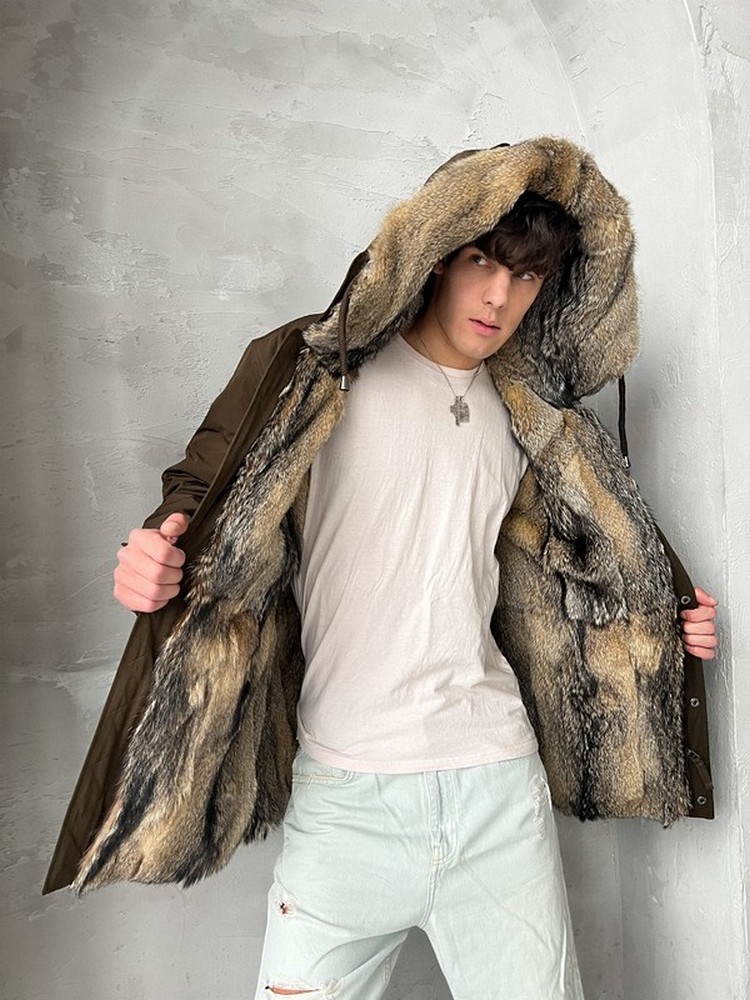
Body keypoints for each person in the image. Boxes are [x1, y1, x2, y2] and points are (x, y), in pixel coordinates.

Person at [44, 137, 718, 998]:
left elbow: (583, 567)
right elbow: (201, 494)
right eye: (482, 262)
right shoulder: (315, 371)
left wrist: (663, 624)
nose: (499, 296)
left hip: (496, 788)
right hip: (345, 795)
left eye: (526, 277)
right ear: (437, 253)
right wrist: (151, 551)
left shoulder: (535, 414)